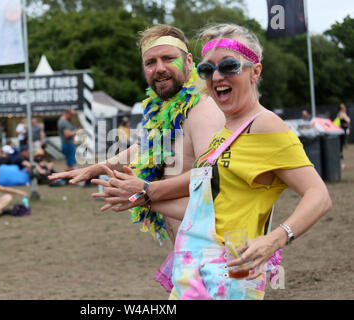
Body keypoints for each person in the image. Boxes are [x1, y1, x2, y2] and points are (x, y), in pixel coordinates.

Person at [98, 23, 332, 300]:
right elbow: (204, 209)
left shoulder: (265, 125)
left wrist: (275, 239)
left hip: (228, 279)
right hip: (192, 274)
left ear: (255, 71)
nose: (216, 76)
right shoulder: (224, 132)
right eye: (207, 70)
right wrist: (141, 197)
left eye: (229, 66)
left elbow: (319, 195)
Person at [50, 25, 224, 255]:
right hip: (188, 253)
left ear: (189, 61)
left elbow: (212, 177)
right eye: (151, 62)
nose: (159, 68)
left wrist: (146, 191)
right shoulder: (167, 110)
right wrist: (98, 168)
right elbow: (147, 146)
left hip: (214, 255)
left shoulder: (203, 111)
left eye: (168, 58)